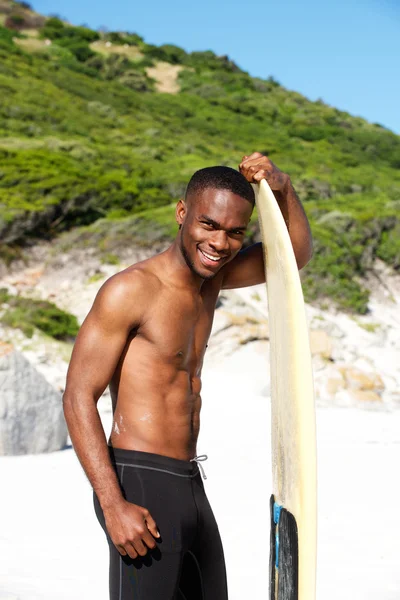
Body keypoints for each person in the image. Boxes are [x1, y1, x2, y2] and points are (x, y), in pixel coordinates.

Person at [63, 152, 313, 599]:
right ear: (182, 214)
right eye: (209, 225)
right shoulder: (131, 289)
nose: (221, 242)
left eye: (236, 232)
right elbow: (79, 395)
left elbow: (292, 257)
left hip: (191, 482)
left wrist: (282, 187)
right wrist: (112, 503)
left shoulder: (211, 280)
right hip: (138, 481)